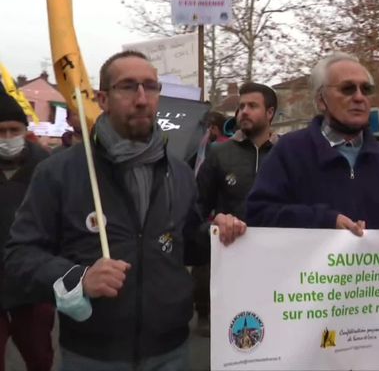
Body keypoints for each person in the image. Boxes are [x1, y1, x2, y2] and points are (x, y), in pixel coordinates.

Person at [4, 50, 246, 370]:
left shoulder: (180, 171)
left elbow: (186, 242)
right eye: (128, 87)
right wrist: (79, 278)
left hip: (170, 351)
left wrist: (217, 232)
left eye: (151, 86)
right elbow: (20, 255)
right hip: (91, 355)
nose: (142, 98)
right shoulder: (60, 171)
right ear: (102, 99)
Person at [246, 52, 379, 234]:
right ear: (321, 101)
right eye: (347, 89)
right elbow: (258, 214)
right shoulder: (289, 152)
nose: (359, 97)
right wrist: (323, 221)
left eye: (366, 89)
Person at [193, 83, 278, 333]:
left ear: (270, 112)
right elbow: (196, 207)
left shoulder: (287, 154)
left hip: (275, 269)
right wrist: (214, 222)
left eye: (252, 106)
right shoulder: (220, 154)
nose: (243, 112)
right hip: (228, 267)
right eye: (241, 107)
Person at [0, 90, 54, 371]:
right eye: (1, 131)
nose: (8, 138)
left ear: (25, 130)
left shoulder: (45, 166)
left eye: (14, 130)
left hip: (33, 284)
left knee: (40, 357)